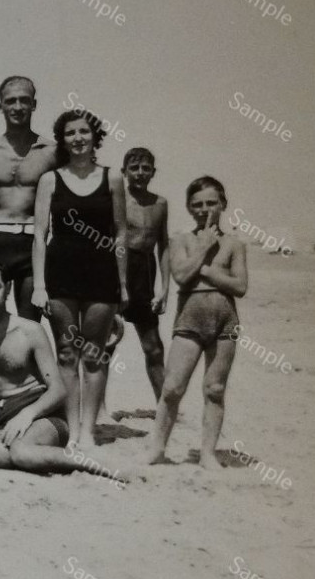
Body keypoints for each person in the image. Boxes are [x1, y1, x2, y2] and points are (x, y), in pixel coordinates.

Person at [0, 263, 121, 477]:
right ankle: (42, 456)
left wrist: (27, 414)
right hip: (2, 420)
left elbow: (58, 390)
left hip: (44, 416)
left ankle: (98, 465)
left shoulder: (30, 330)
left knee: (21, 452)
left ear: (8, 288)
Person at [32, 109, 128, 450]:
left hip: (101, 278)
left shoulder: (113, 178)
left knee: (94, 355)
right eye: (70, 133)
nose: (78, 138)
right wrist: (40, 286)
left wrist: (124, 284)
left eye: (84, 131)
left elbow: (119, 234)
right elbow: (39, 235)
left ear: (94, 136)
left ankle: (89, 430)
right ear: (63, 139)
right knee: (67, 355)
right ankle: (72, 431)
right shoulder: (50, 180)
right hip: (61, 277)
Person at [146, 177, 248, 467]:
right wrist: (204, 248)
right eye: (197, 204)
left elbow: (240, 286)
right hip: (190, 318)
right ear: (189, 208)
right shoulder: (182, 240)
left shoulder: (234, 245)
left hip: (225, 320)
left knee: (214, 389)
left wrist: (202, 269)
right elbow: (179, 275)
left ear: (223, 204)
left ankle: (207, 453)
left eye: (211, 203)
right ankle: (157, 449)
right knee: (173, 387)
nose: (205, 209)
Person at [0, 75, 58, 319]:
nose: (17, 107)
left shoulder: (52, 153)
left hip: (31, 243)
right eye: (11, 101)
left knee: (30, 322)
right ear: (1, 106)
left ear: (34, 105)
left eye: (24, 101)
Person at [116, 147, 169, 401]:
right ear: (123, 172)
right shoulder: (117, 200)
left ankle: (164, 405)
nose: (140, 173)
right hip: (116, 270)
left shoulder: (160, 204)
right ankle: (100, 408)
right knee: (106, 341)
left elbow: (164, 246)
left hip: (145, 273)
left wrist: (165, 289)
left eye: (145, 168)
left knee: (153, 347)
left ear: (153, 172)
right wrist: (119, 282)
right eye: (134, 168)